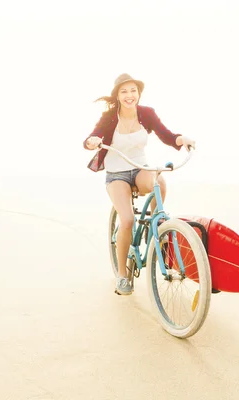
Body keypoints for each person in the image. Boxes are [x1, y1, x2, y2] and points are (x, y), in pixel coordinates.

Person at [83, 73, 196, 295]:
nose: (129, 95)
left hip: (139, 168)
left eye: (133, 90)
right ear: (117, 95)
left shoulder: (147, 113)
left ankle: (158, 230)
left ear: (138, 93)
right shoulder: (109, 117)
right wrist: (92, 141)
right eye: (124, 91)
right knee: (127, 219)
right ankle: (122, 276)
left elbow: (167, 136)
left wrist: (183, 140)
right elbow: (91, 137)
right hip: (117, 175)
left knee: (159, 181)